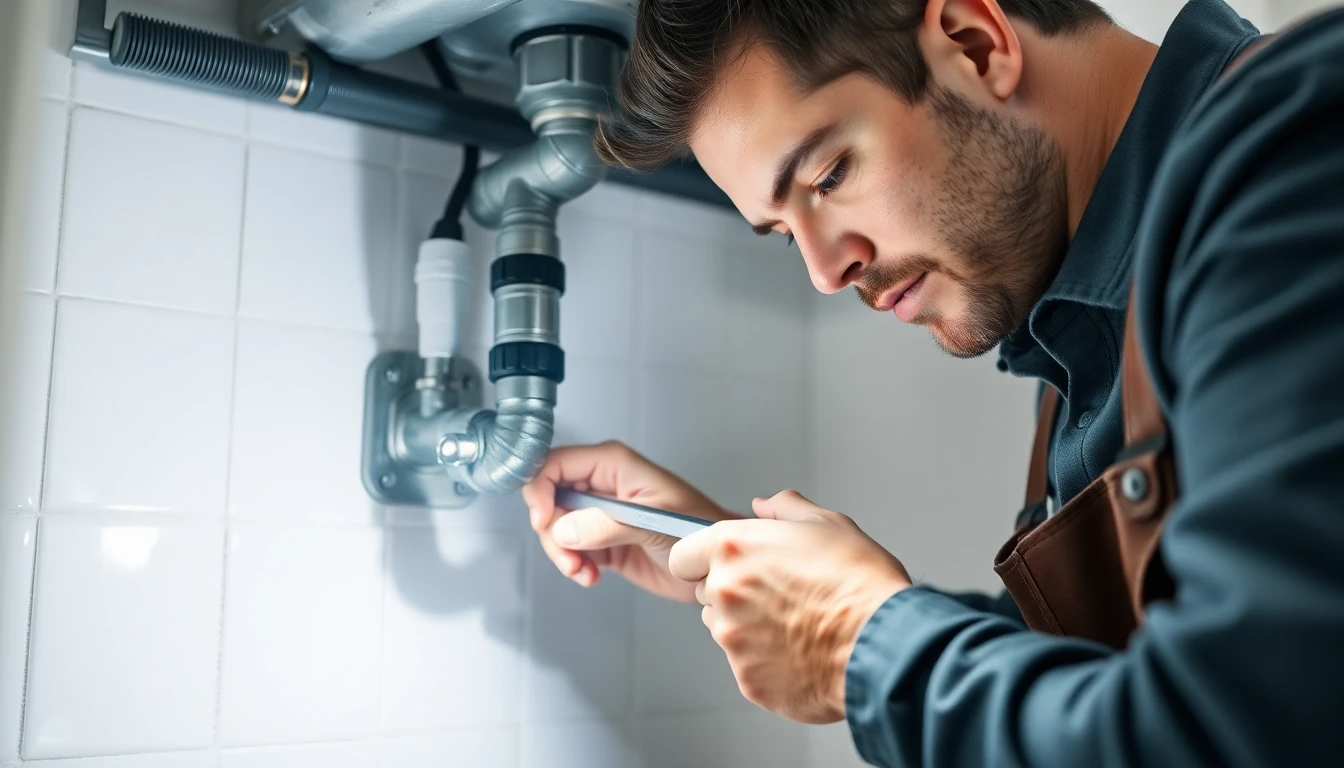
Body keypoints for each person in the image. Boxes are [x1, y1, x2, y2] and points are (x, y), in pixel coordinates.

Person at [519, 0, 1344, 764]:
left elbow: (1248, 725)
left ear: (974, 43)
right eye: (782, 232)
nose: (823, 271)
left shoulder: (1298, 146)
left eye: (830, 175)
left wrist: (858, 640)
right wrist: (743, 556)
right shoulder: (1074, 320)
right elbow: (1106, 677)